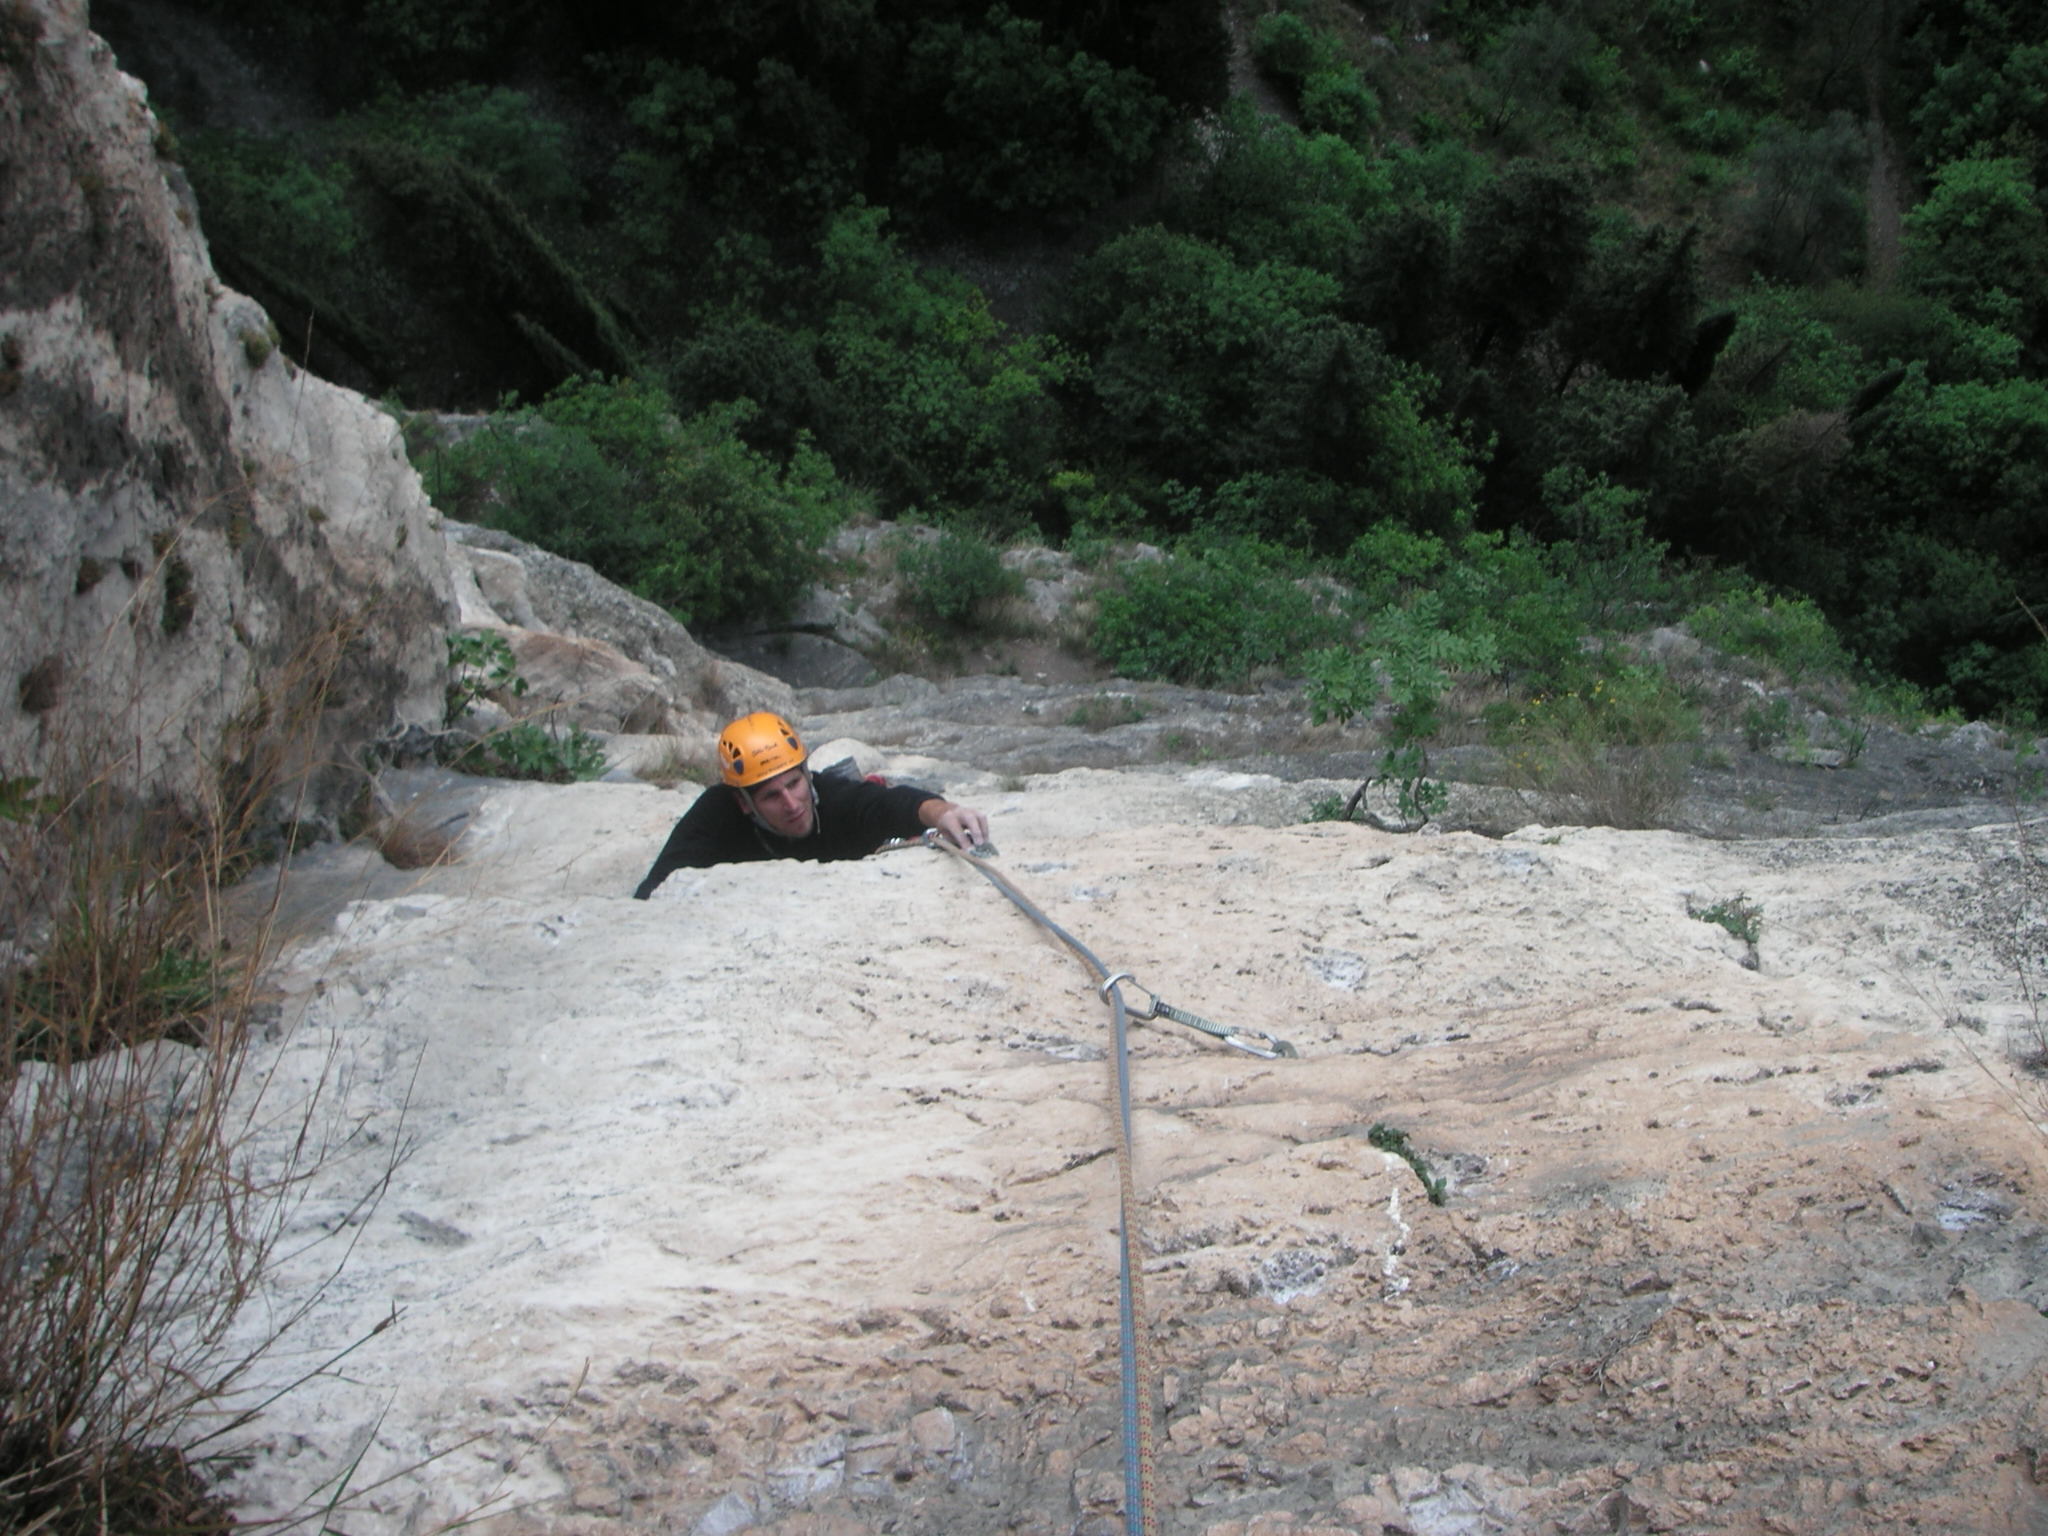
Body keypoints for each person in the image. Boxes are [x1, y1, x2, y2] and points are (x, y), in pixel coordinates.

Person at [632, 711, 991, 898]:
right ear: (744, 803)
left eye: (794, 783)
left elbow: (891, 805)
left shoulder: (831, 797)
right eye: (771, 796)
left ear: (807, 774)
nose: (792, 804)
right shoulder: (717, 814)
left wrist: (944, 812)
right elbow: (658, 885)